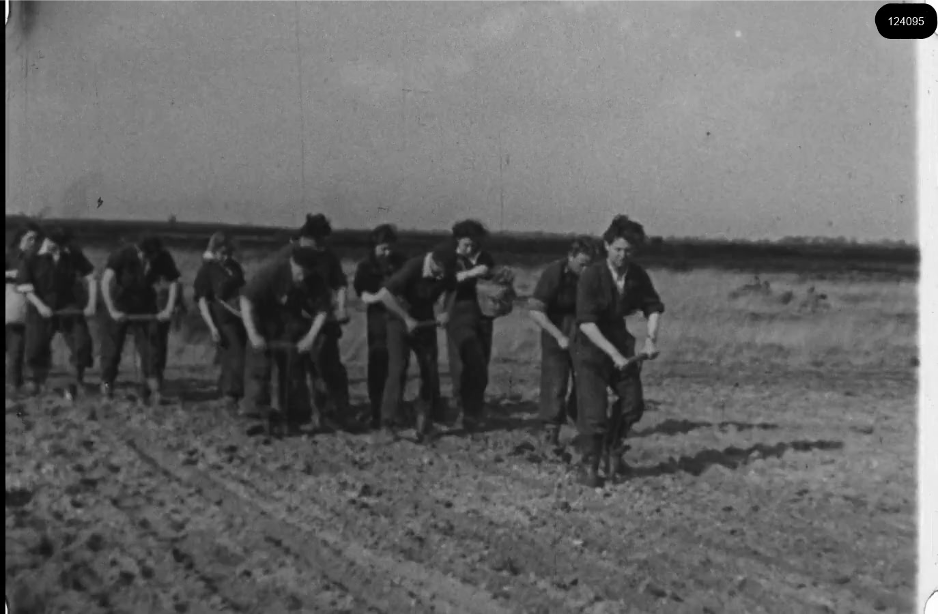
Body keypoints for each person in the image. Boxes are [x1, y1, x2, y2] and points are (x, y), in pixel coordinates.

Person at [572, 216, 664, 488]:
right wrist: (613, 355)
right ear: (606, 245)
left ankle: (613, 451)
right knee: (594, 412)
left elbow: (653, 307)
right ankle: (589, 464)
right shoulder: (592, 275)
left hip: (621, 343)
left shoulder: (637, 275)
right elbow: (586, 322)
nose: (623, 256)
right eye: (618, 249)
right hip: (590, 347)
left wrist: (650, 340)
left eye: (629, 251)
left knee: (633, 404)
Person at [369, 242, 458, 444]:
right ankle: (387, 424)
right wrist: (406, 318)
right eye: (441, 272)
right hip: (398, 322)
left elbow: (453, 290)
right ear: (434, 263)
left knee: (429, 369)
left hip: (425, 321)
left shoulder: (447, 271)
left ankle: (425, 420)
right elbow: (384, 295)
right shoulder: (412, 268)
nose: (443, 277)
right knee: (398, 369)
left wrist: (446, 311)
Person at [239, 245, 331, 431]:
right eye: (300, 272)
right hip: (262, 323)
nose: (303, 277)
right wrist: (253, 333)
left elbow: (322, 310)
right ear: (292, 263)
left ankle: (294, 416)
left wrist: (310, 338)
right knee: (259, 371)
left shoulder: (315, 280)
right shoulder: (271, 273)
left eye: (307, 273)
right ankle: (255, 415)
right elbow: (246, 300)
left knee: (294, 371)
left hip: (289, 325)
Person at [273, 214, 351, 427]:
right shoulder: (286, 254)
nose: (322, 245)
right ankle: (297, 415)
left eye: (324, 240)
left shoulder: (328, 256)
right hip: (293, 320)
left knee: (326, 366)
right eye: (318, 241)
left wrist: (342, 307)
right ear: (306, 238)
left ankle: (330, 413)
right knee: (293, 369)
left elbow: (340, 284)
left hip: (322, 317)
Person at [528, 236, 599, 448]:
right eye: (582, 264)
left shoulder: (596, 276)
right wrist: (558, 335)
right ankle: (550, 431)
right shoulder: (555, 272)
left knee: (586, 381)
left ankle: (582, 427)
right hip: (556, 328)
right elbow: (535, 310)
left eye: (589, 265)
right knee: (555, 383)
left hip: (584, 331)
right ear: (570, 257)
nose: (585, 270)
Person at [15, 227, 98, 400]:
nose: (60, 249)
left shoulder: (72, 253)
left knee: (82, 341)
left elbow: (91, 276)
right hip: (40, 303)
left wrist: (91, 303)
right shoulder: (31, 255)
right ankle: (34, 382)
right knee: (36, 345)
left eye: (63, 246)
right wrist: (40, 306)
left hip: (68, 304)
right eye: (56, 245)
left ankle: (76, 379)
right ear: (48, 240)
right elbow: (25, 286)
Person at [99, 234, 182, 405]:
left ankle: (153, 391)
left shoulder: (163, 257)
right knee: (111, 352)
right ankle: (107, 388)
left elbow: (174, 282)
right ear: (139, 251)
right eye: (146, 256)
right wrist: (112, 310)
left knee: (151, 350)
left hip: (145, 303)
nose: (150, 260)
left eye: (153, 256)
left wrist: (168, 308)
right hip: (119, 302)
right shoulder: (122, 254)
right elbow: (105, 282)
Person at [352, 224, 409, 429]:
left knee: (398, 362)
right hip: (377, 316)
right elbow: (363, 294)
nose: (387, 252)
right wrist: (382, 297)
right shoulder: (366, 266)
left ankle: (394, 408)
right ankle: (376, 409)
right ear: (374, 247)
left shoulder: (402, 262)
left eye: (390, 248)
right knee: (378, 360)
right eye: (383, 248)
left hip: (398, 315)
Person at [446, 219, 496, 431]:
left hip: (483, 313)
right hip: (459, 310)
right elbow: (447, 280)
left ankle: (475, 408)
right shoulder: (449, 258)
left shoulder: (484, 257)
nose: (470, 248)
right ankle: (461, 406)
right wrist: (472, 273)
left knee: (482, 360)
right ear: (458, 240)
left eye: (474, 243)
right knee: (463, 360)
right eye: (467, 243)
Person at [193, 232, 247, 411]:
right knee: (233, 355)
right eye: (222, 253)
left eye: (228, 253)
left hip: (239, 316)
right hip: (221, 320)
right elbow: (202, 299)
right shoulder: (207, 270)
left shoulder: (234, 267)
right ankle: (230, 394)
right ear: (214, 251)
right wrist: (212, 327)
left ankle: (229, 392)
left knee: (237, 355)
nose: (226, 257)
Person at [5, 222, 42, 393]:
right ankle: (14, 384)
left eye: (35, 239)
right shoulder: (11, 255)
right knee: (15, 346)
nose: (33, 242)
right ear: (20, 239)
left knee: (23, 348)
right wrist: (10, 275)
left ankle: (19, 383)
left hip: (29, 308)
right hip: (12, 306)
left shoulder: (38, 258)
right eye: (29, 239)